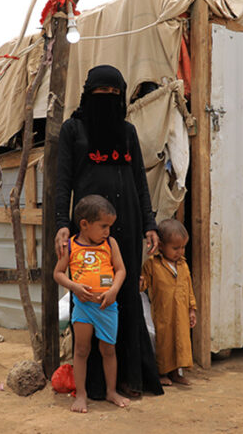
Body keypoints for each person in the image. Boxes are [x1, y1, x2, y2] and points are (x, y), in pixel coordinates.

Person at [54, 64, 164, 399]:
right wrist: (62, 223)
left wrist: (149, 223)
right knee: (86, 297)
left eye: (115, 94)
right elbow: (63, 182)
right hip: (87, 230)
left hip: (126, 225)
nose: (109, 98)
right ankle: (92, 386)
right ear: (89, 94)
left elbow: (140, 182)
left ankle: (130, 379)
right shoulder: (73, 130)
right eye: (102, 93)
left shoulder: (127, 131)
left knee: (126, 295)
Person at [53, 195, 129, 412]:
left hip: (107, 307)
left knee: (108, 350)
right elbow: (58, 274)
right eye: (103, 226)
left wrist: (113, 290)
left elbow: (121, 270)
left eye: (110, 226)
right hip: (84, 308)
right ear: (84, 225)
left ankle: (111, 391)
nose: (108, 231)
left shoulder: (110, 243)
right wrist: (75, 287)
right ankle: (81, 395)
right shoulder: (70, 246)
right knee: (81, 350)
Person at [140, 219, 197, 386]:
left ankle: (176, 373)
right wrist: (139, 282)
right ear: (161, 245)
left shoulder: (183, 265)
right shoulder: (153, 264)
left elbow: (189, 288)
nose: (179, 252)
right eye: (175, 248)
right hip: (163, 313)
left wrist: (192, 309)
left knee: (180, 341)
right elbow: (144, 285)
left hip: (181, 312)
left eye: (182, 247)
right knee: (164, 343)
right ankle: (161, 373)